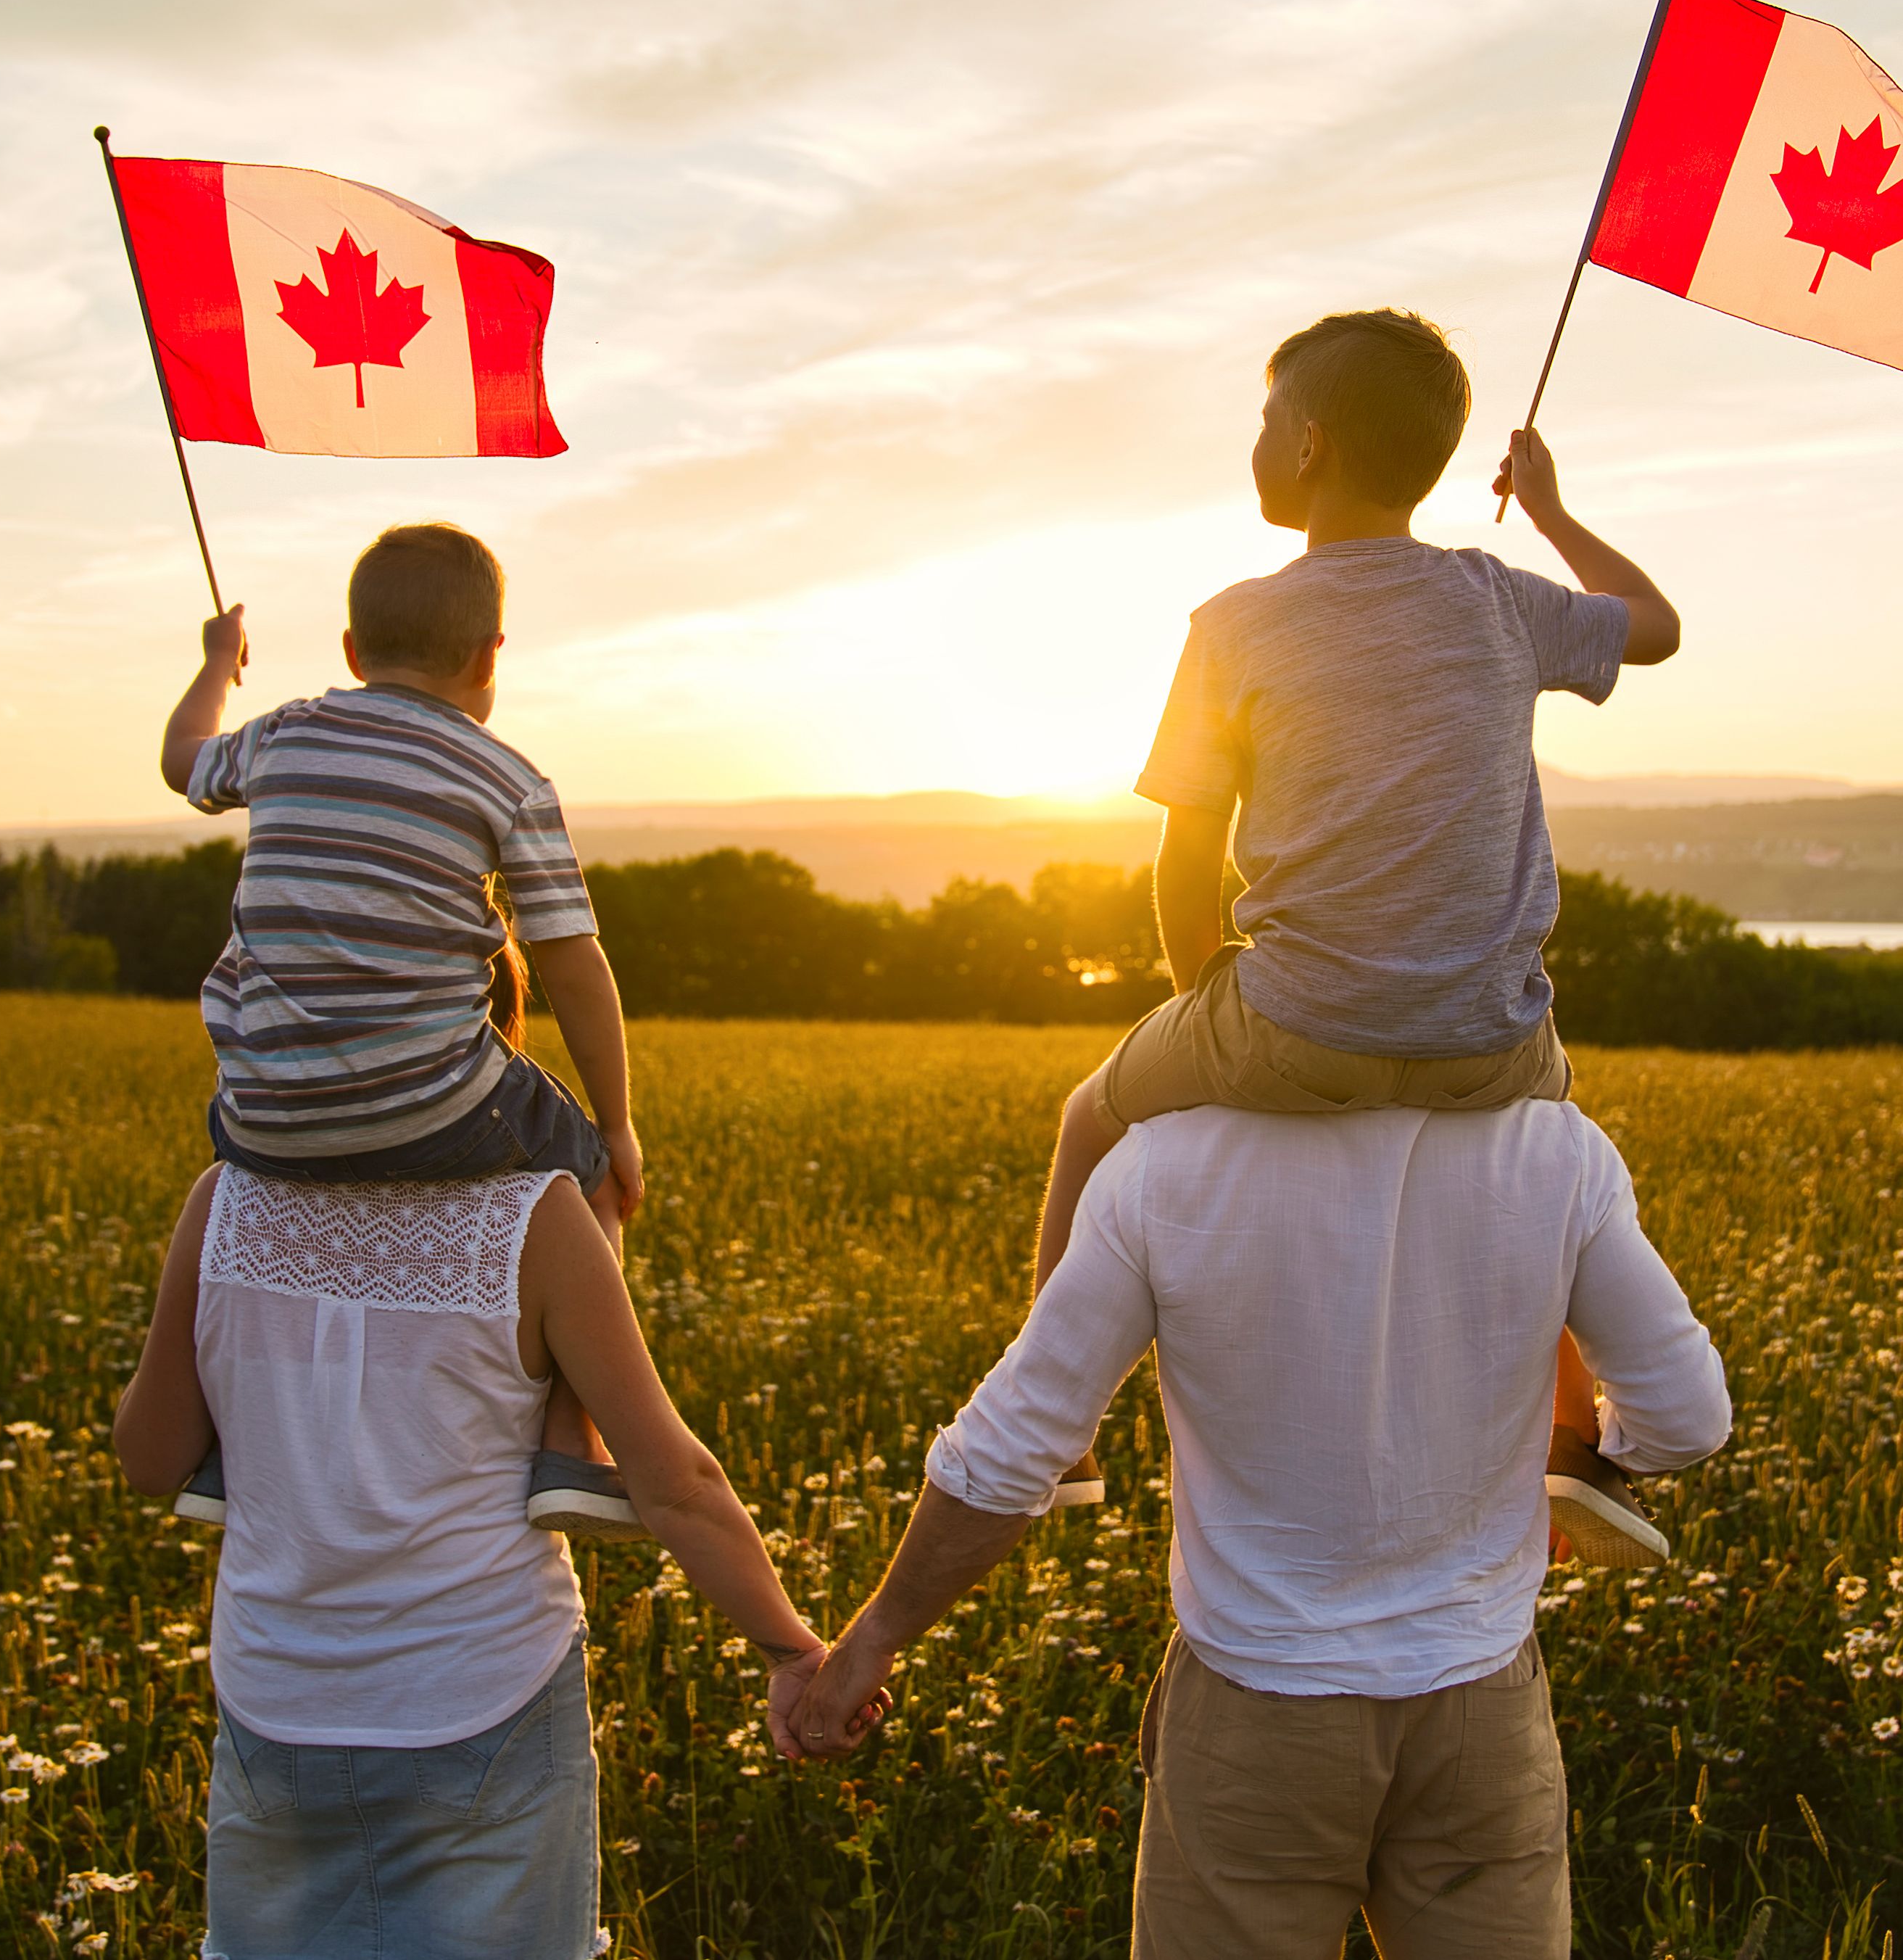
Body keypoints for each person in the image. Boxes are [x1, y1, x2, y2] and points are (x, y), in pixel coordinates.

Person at [1025, 309, 1685, 1557]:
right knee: (1539, 1151)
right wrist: (1544, 508)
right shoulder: (1499, 598)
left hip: (1296, 1030)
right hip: (1492, 1042)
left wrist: (1199, 1013)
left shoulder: (1231, 624)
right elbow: (1652, 624)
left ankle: (1059, 1433)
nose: (1258, 440)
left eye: (1267, 417)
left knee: (1087, 1120)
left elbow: (1188, 853)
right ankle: (1575, 1435)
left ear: (1313, 441)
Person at [787, 1095, 1728, 1954]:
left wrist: (871, 1640)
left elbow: (1007, 1448)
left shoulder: (1168, 1161)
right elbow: (1684, 1416)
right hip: (1480, 1706)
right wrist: (1584, 1452)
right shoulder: (1555, 1147)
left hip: (1255, 1716)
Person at [115, 1154, 834, 1958]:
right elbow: (678, 1486)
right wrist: (792, 1649)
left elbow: (148, 1460)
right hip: (489, 1694)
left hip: (277, 1698)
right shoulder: (538, 1215)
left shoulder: (225, 1200)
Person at [159, 521, 647, 1537]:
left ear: (350, 651)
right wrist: (618, 1127)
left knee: (257, 1206)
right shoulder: (507, 778)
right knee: (590, 1178)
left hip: (257, 1115)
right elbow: (568, 962)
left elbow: (180, 761)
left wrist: (216, 662)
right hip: (427, 1104)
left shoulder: (285, 732)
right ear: (489, 658)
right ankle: (570, 1439)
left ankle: (214, 1442)